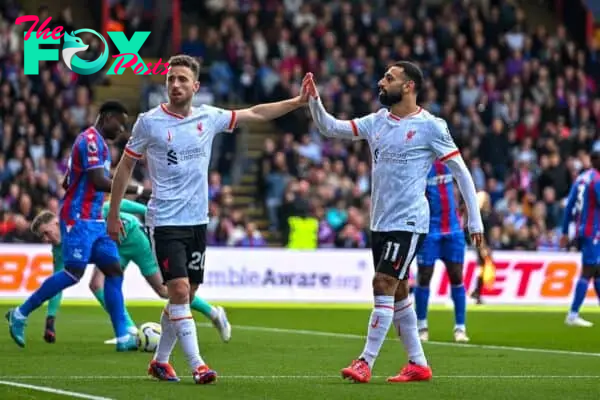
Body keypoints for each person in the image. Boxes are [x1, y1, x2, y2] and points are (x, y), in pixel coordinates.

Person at [106, 54, 308, 384]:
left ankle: (160, 361)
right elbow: (125, 167)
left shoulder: (209, 118)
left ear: (196, 86)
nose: (175, 84)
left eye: (182, 79)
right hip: (165, 220)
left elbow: (255, 112)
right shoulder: (149, 122)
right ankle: (198, 364)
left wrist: (298, 101)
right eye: (171, 79)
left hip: (197, 221)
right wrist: (114, 213)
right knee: (181, 290)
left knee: (185, 292)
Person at [303, 62, 484, 384]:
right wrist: (314, 101)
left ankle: (365, 361)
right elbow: (331, 128)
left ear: (409, 86)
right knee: (398, 291)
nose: (381, 82)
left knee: (382, 283)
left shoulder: (431, 126)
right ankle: (418, 363)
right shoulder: (377, 122)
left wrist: (476, 221)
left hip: (410, 220)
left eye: (389, 78)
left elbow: (461, 172)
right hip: (381, 221)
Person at [6, 101, 149, 351]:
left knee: (114, 270)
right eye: (120, 123)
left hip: (94, 218)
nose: (122, 129)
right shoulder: (90, 141)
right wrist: (138, 189)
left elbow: (68, 181)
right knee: (74, 273)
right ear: (106, 117)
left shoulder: (97, 144)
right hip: (78, 218)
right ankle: (20, 313)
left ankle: (123, 336)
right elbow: (97, 180)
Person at [29, 200, 231, 344]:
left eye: (47, 232)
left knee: (164, 290)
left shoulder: (80, 222)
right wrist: (50, 320)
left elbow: (117, 205)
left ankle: (214, 313)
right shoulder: (58, 251)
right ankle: (128, 329)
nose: (47, 238)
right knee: (96, 284)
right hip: (114, 248)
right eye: (43, 237)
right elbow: (57, 285)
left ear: (57, 223)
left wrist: (149, 213)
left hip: (135, 238)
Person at [414, 160, 469, 343]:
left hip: (453, 230)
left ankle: (460, 328)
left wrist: (466, 209)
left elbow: (464, 182)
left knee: (456, 276)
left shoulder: (449, 159)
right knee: (424, 276)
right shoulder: (420, 163)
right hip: (429, 231)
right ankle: (422, 326)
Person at [560, 150, 600, 327]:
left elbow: (569, 205)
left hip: (582, 229)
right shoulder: (597, 180)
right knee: (589, 270)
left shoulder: (582, 178)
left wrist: (564, 231)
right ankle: (573, 314)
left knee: (598, 272)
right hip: (593, 231)